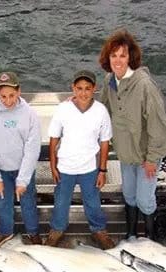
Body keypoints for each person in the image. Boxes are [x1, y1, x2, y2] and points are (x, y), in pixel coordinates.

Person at [99, 29, 166, 240]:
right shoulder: (110, 81)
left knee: (145, 200)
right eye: (113, 55)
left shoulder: (145, 85)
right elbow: (102, 109)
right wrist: (78, 103)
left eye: (123, 55)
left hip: (147, 156)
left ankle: (149, 237)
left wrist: (153, 159)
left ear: (131, 57)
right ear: (107, 58)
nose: (118, 61)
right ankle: (130, 234)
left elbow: (158, 125)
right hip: (126, 154)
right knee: (129, 195)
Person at [44, 70, 115, 250]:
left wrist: (103, 170)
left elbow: (105, 142)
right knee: (61, 201)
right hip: (65, 167)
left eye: (87, 89)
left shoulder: (101, 111)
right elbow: (53, 139)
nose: (83, 93)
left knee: (92, 202)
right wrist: (53, 166)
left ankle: (98, 230)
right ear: (73, 88)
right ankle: (57, 230)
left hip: (89, 168)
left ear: (94, 89)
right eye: (79, 88)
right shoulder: (63, 108)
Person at [0, 71, 42, 247]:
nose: (8, 101)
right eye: (3, 96)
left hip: (24, 169)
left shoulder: (29, 113)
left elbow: (32, 147)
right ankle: (5, 232)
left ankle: (33, 232)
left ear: (19, 91)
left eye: (12, 95)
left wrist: (23, 179)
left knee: (28, 201)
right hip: (2, 170)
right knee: (3, 202)